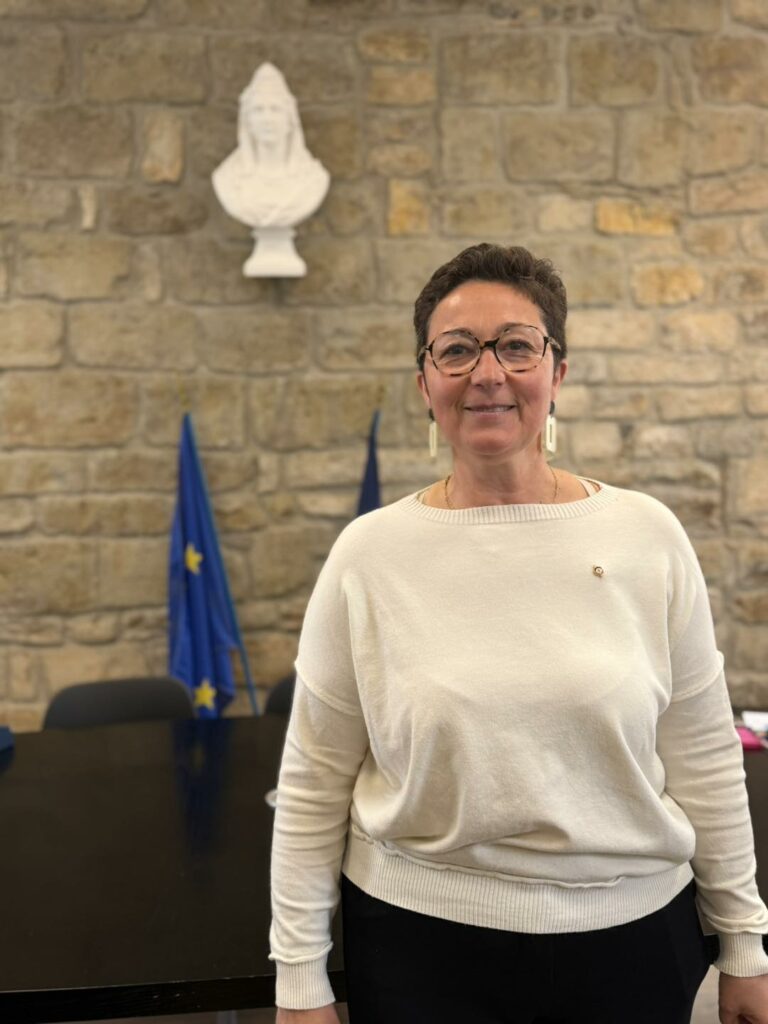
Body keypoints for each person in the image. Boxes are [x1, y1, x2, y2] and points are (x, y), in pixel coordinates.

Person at [269, 243, 768, 1024]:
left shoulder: (647, 535)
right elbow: (314, 778)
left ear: (557, 372)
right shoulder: (368, 555)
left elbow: (704, 755)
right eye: (457, 350)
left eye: (516, 346)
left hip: (634, 947)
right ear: (425, 382)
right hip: (420, 949)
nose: (487, 373)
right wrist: (300, 978)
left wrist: (744, 941)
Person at [212, 61, 329, 230]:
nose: (267, 119)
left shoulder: (312, 179)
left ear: (290, 120)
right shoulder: (227, 179)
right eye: (258, 110)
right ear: (247, 122)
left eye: (275, 109)